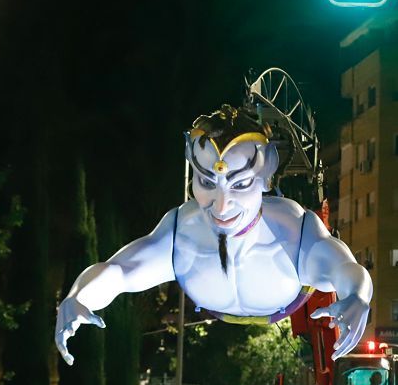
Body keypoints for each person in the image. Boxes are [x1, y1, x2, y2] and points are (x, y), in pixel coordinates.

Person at [55, 105, 374, 366]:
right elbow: (119, 271)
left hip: (286, 296)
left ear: (265, 178)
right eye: (207, 183)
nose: (221, 206)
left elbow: (344, 268)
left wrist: (357, 295)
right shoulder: (181, 231)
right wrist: (78, 297)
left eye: (239, 185)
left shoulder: (295, 232)